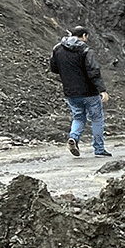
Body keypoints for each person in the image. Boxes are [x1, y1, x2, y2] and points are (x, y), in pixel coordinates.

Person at [49, 26, 111, 157]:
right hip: (89, 92)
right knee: (96, 119)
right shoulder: (85, 50)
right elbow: (94, 71)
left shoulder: (57, 49)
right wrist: (102, 90)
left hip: (70, 92)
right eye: (86, 37)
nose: (87, 39)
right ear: (83, 36)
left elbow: (54, 68)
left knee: (78, 117)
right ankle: (99, 149)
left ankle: (74, 138)